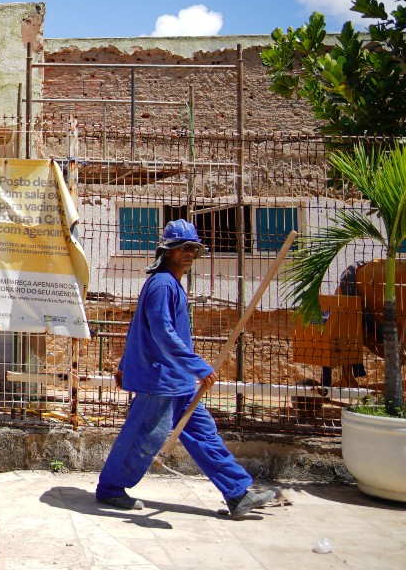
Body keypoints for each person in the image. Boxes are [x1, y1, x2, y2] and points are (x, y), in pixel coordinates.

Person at [96, 220, 278, 519]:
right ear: (167, 251)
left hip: (177, 381)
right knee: (142, 437)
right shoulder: (163, 284)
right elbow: (161, 332)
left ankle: (237, 492)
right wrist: (198, 366)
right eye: (183, 248)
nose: (189, 253)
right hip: (161, 380)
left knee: (204, 434)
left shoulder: (170, 284)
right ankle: (111, 488)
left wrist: (124, 366)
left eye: (193, 248)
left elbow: (137, 328)